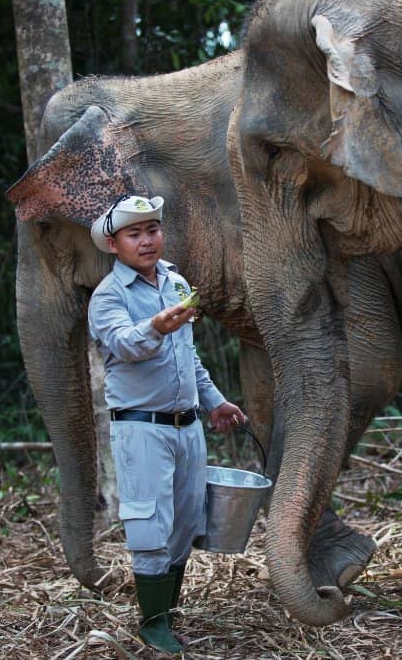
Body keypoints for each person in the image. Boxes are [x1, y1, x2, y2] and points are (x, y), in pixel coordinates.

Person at [88, 194, 247, 653]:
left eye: (152, 230)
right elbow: (122, 344)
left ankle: (167, 615)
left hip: (187, 425)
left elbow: (188, 356)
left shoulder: (176, 281)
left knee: (183, 525)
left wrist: (214, 402)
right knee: (150, 527)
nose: (146, 240)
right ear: (114, 244)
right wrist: (156, 326)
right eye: (134, 234)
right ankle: (152, 624)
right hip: (142, 428)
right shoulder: (109, 295)